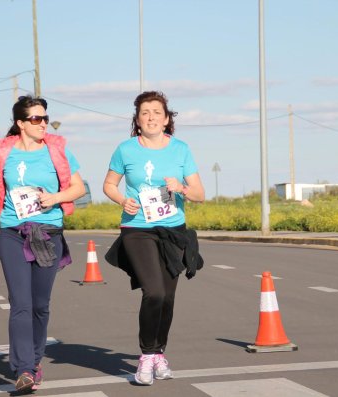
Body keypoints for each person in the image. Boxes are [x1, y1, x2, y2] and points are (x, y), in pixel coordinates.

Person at [0, 95, 85, 393]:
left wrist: (55, 198)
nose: (43, 123)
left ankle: (35, 360)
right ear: (20, 123)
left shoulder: (56, 150)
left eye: (44, 117)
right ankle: (24, 369)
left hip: (47, 234)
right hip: (13, 232)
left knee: (40, 305)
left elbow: (78, 187)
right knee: (21, 304)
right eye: (36, 119)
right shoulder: (4, 152)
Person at [103, 91, 205, 386]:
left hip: (173, 230)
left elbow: (199, 194)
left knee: (168, 298)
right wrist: (122, 200)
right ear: (137, 119)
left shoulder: (181, 150)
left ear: (167, 118)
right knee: (155, 292)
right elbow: (109, 184)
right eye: (145, 112)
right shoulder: (125, 150)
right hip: (137, 229)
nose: (150, 117)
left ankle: (159, 352)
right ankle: (146, 356)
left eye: (156, 112)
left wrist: (182, 188)